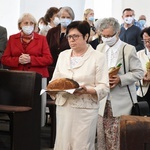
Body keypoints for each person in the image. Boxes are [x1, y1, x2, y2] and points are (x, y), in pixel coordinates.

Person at [48, 20, 109, 150]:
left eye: (76, 36)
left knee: (82, 145)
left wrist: (87, 90)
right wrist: (52, 89)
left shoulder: (98, 57)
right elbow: (55, 81)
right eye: (69, 36)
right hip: (64, 106)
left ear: (86, 37)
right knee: (62, 144)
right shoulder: (63, 55)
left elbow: (104, 87)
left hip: (85, 108)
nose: (72, 40)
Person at [96, 17, 144, 150]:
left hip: (121, 102)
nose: (106, 38)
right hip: (102, 102)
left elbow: (138, 72)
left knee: (118, 139)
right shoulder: (100, 48)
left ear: (117, 33)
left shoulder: (128, 49)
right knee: (102, 139)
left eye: (109, 36)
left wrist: (120, 79)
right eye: (103, 36)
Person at [1, 13, 53, 126]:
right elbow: (4, 59)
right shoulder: (12, 38)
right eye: (26, 23)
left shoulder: (42, 39)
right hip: (17, 79)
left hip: (37, 78)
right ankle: (17, 127)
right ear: (20, 25)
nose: (29, 25)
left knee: (36, 107)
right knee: (18, 107)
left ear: (35, 26)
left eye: (31, 23)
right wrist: (17, 60)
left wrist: (31, 59)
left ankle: (37, 127)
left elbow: (48, 59)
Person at [137, 27, 150, 107]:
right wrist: (143, 79)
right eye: (145, 41)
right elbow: (133, 77)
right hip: (143, 94)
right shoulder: (138, 55)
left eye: (149, 40)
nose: (147, 44)